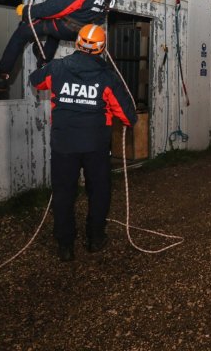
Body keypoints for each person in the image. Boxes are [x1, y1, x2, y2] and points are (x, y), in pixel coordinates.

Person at [29, 24, 137, 261]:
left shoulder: (57, 68)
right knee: (99, 192)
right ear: (102, 48)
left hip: (63, 145)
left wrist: (44, 64)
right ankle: (95, 239)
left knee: (63, 194)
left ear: (78, 43)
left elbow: (36, 80)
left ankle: (65, 246)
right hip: (95, 146)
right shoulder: (107, 77)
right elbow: (129, 117)